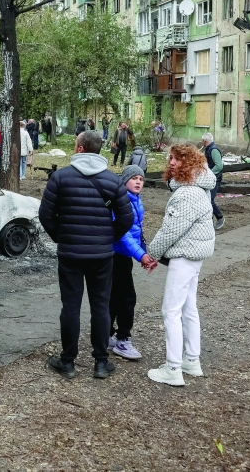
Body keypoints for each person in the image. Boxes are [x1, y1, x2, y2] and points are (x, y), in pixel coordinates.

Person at [39, 131, 134, 381]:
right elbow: (127, 218)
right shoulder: (112, 181)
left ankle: (68, 361)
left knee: (70, 306)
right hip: (102, 255)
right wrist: (107, 238)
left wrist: (61, 236)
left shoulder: (60, 178)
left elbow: (45, 215)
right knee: (101, 306)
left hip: (70, 253)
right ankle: (101, 363)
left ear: (80, 149)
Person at [145, 144, 217, 387]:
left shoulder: (187, 192)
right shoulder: (199, 187)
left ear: (190, 164)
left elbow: (170, 230)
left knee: (171, 310)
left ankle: (173, 368)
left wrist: (151, 254)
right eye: (171, 158)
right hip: (194, 256)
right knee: (188, 308)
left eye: (178, 159)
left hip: (185, 255)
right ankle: (192, 360)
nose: (172, 163)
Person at [109, 165, 158, 361]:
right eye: (134, 178)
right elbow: (124, 235)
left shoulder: (136, 200)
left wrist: (143, 253)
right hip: (115, 255)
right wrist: (141, 256)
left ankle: (106, 334)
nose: (138, 182)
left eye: (141, 179)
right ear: (124, 180)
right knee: (126, 298)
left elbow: (137, 232)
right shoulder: (121, 202)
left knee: (115, 297)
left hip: (124, 256)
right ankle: (122, 339)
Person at [201, 133, 225, 230]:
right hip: (210, 179)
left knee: (209, 200)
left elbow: (219, 166)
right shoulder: (208, 149)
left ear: (205, 141)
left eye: (202, 141)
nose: (201, 142)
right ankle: (209, 222)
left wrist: (209, 173)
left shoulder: (213, 150)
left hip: (215, 179)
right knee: (206, 199)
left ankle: (220, 217)